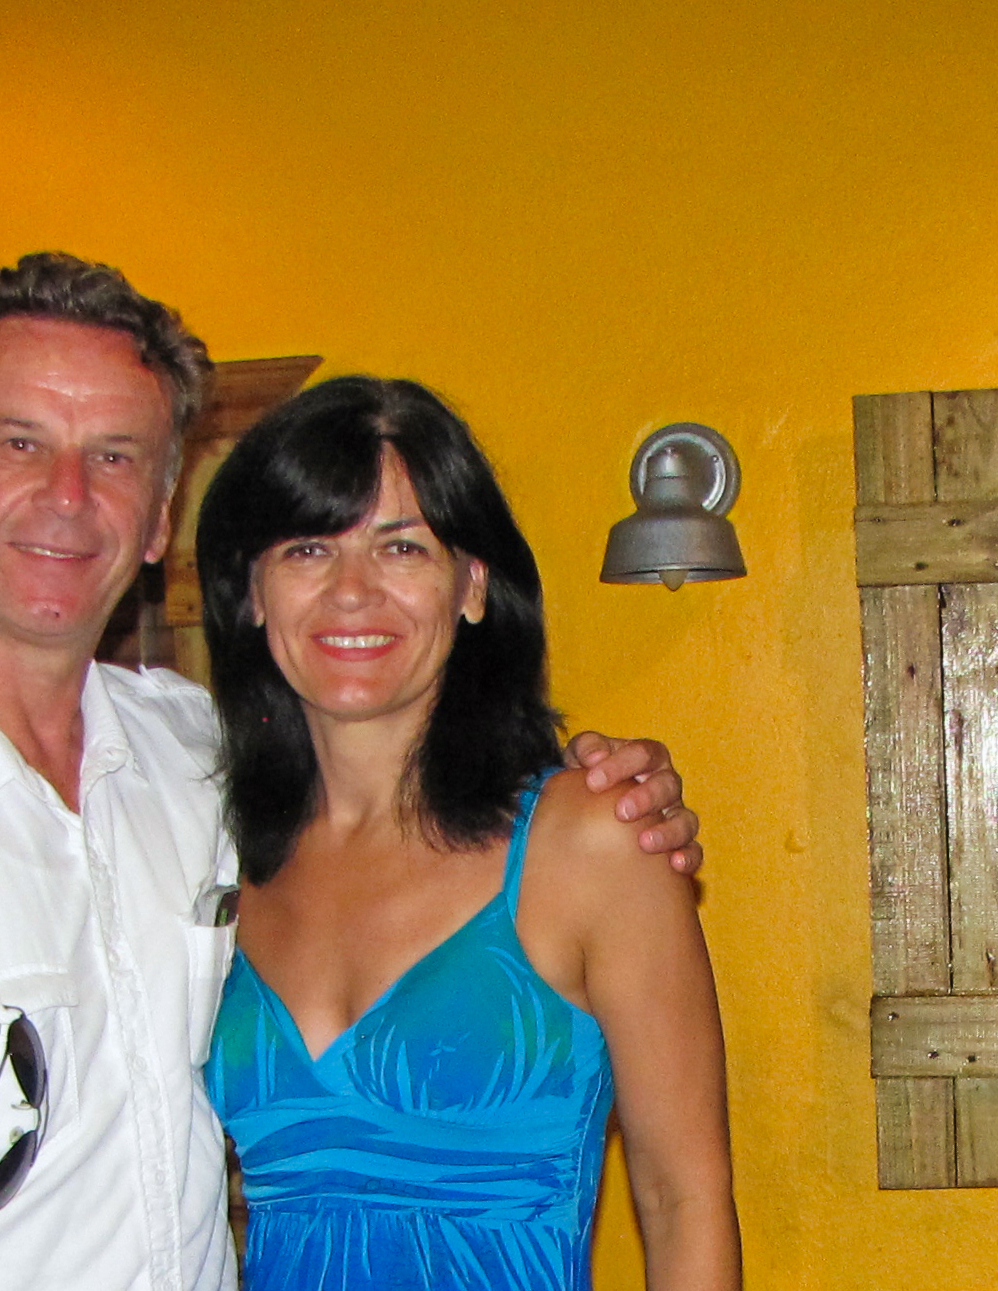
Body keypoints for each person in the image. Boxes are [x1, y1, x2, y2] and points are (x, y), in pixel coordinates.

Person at [0, 255, 701, 1291]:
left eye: (113, 456)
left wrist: (610, 787)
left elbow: (675, 1182)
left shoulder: (190, 766)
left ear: (159, 515)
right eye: (18, 441)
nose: (68, 495)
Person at [193, 377, 740, 1291]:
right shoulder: (211, 852)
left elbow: (683, 1199)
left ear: (473, 584)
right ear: (251, 593)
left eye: (401, 545)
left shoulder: (591, 839)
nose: (351, 590)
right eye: (307, 548)